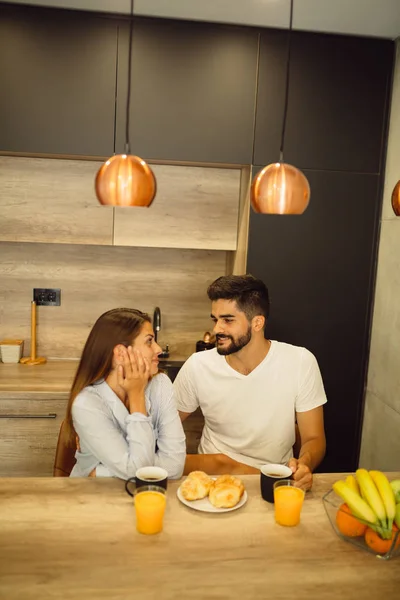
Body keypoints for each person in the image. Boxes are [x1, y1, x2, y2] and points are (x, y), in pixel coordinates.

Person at [174, 275, 327, 490]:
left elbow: (314, 437)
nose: (217, 329)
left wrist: (305, 464)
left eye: (227, 320)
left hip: (275, 480)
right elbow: (164, 426)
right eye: (215, 319)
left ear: (257, 322)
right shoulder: (198, 366)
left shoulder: (300, 362)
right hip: (211, 481)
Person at [64, 308, 186, 479]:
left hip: (141, 493)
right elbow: (137, 471)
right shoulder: (87, 404)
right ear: (121, 353)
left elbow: (175, 466)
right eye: (149, 341)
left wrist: (100, 472)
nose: (158, 349)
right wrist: (137, 397)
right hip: (92, 496)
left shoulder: (161, 385)